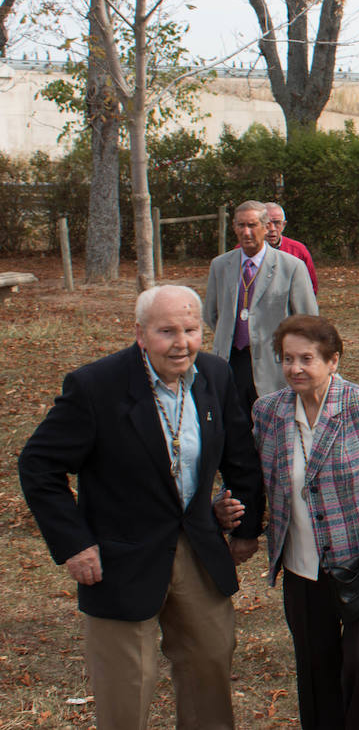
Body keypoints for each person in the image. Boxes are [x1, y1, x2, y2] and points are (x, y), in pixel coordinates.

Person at [19, 285, 263, 730]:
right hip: (120, 556)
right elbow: (38, 465)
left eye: (191, 330)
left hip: (198, 548)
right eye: (167, 331)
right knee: (128, 684)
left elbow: (240, 456)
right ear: (140, 334)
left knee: (210, 664)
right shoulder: (96, 387)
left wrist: (245, 527)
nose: (182, 343)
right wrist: (74, 544)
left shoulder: (215, 374)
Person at [241, 315, 359, 729]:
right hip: (301, 568)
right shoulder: (269, 412)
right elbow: (253, 479)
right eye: (287, 359)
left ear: (333, 360)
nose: (295, 368)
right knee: (316, 673)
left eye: (307, 358)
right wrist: (230, 509)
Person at [205, 200, 319, 412]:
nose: (246, 232)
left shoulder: (291, 267)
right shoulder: (220, 265)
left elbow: (308, 319)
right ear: (234, 227)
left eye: (252, 225)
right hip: (231, 361)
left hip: (273, 363)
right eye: (241, 225)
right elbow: (211, 314)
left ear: (266, 227)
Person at [265, 201, 319, 293]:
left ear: (284, 225)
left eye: (277, 223)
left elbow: (311, 287)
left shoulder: (298, 250)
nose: (272, 229)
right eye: (267, 223)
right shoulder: (245, 251)